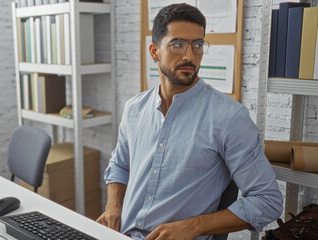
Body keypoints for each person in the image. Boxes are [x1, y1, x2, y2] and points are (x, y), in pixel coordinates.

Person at [96, 3, 283, 240]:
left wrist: (193, 227)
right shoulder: (134, 108)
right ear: (154, 51)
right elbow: (120, 166)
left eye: (197, 45)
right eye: (177, 44)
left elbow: (267, 201)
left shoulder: (229, 118)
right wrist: (113, 206)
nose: (189, 56)